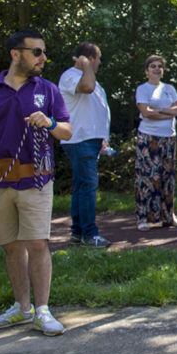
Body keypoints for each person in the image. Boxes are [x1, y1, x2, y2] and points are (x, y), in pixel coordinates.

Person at [0, 29, 73, 336]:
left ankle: (43, 310)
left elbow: (67, 132)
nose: (43, 59)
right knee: (10, 248)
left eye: (43, 53)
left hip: (36, 181)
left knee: (37, 243)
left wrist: (49, 122)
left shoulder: (47, 90)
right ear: (15, 54)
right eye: (37, 52)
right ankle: (22, 309)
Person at [58, 42, 112, 249]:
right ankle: (90, 234)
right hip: (79, 140)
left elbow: (97, 110)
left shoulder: (93, 80)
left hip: (90, 140)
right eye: (97, 59)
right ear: (90, 58)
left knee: (82, 186)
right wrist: (85, 66)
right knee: (88, 186)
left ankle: (78, 233)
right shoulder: (71, 76)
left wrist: (103, 138)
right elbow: (87, 88)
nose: (99, 63)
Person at [134, 54, 177, 230]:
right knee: (147, 177)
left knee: (167, 176)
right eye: (153, 66)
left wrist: (161, 111)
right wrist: (168, 112)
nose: (157, 69)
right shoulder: (142, 89)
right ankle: (144, 218)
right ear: (146, 70)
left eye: (160, 66)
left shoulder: (169, 88)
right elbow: (146, 112)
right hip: (148, 137)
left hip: (168, 137)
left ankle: (168, 215)